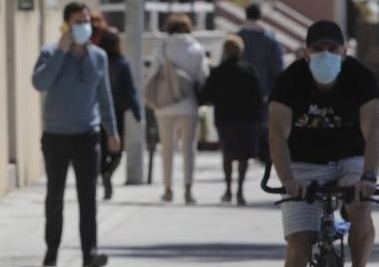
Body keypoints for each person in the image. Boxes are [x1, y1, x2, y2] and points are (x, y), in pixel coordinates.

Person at [268, 20, 379, 267]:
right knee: (298, 247)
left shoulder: (361, 78)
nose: (326, 55)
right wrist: (287, 178)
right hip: (302, 164)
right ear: (305, 53)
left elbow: (373, 129)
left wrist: (368, 177)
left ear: (345, 51)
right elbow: (277, 131)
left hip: (350, 158)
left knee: (361, 209)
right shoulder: (290, 81)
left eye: (333, 49)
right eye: (318, 49)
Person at [31, 2, 121, 267]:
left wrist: (112, 132)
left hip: (87, 135)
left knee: (88, 196)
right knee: (55, 195)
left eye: (87, 21)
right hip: (55, 136)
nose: (85, 26)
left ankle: (89, 253)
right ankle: (52, 250)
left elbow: (104, 98)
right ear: (67, 24)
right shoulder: (49, 52)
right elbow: (39, 83)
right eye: (78, 21)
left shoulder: (99, 57)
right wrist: (61, 53)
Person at [150, 14, 207, 204]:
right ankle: (188, 190)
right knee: (189, 149)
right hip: (190, 104)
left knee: (167, 148)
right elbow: (202, 75)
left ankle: (168, 190)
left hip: (165, 104)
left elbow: (153, 72)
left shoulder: (163, 46)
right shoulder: (197, 48)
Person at [199, 36, 262, 206]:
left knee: (228, 154)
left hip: (225, 119)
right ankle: (240, 190)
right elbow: (257, 98)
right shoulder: (249, 70)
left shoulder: (218, 71)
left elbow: (205, 95)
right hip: (246, 120)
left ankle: (228, 190)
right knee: (244, 156)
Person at [97, 28, 141, 201]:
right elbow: (130, 91)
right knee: (116, 149)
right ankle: (108, 173)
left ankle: (104, 173)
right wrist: (138, 113)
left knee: (100, 148)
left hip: (98, 111)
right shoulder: (121, 63)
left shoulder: (98, 61)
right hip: (116, 112)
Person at [238, 4, 284, 162]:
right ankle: (263, 153)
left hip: (242, 90)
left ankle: (245, 153)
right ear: (260, 16)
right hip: (265, 88)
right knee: (264, 123)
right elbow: (277, 65)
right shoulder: (269, 38)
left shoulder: (237, 37)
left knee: (244, 122)